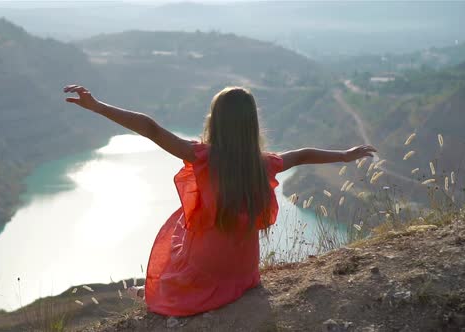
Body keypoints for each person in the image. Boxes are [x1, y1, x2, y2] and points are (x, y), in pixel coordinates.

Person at [63, 85, 376, 316]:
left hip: (209, 268)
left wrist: (99, 106)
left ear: (215, 121)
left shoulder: (202, 157)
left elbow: (150, 128)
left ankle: (151, 291)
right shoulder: (264, 163)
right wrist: (345, 156)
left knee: (182, 225)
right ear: (251, 125)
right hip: (244, 273)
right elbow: (304, 154)